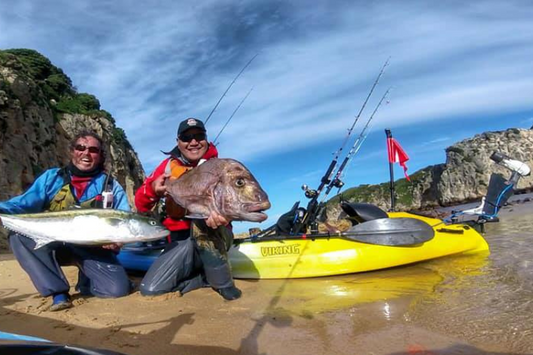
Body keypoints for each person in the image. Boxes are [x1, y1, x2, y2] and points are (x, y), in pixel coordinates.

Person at [0, 130, 132, 311]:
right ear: (72, 152)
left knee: (116, 290)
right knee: (18, 236)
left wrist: (119, 241)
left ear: (101, 156)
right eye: (81, 148)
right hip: (55, 243)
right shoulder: (52, 177)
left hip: (93, 248)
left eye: (93, 150)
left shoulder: (111, 186)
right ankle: (58, 292)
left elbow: (124, 217)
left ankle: (87, 278)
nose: (86, 153)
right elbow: (23, 203)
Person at [135, 117, 241, 300]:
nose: (193, 142)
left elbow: (237, 201)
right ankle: (202, 278)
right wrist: (153, 190)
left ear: (206, 139)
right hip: (181, 242)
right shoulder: (167, 167)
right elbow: (140, 203)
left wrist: (227, 216)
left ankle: (223, 283)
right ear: (178, 142)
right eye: (186, 138)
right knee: (150, 289)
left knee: (204, 218)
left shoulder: (221, 167)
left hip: (217, 235)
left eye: (199, 136)